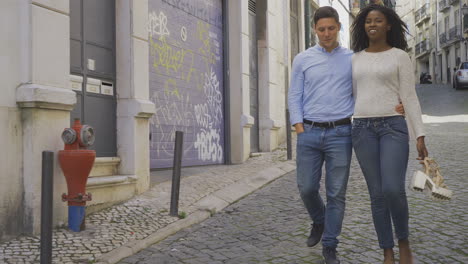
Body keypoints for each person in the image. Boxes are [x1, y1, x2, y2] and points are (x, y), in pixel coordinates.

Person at [350, 4, 428, 264]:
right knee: (377, 194)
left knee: (393, 189)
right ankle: (387, 251)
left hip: (393, 126)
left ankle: (403, 240)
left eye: (378, 20)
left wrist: (419, 135)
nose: (372, 24)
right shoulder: (355, 58)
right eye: (368, 21)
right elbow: (351, 95)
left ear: (388, 25)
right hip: (361, 129)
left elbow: (410, 96)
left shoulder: (399, 56)